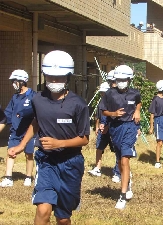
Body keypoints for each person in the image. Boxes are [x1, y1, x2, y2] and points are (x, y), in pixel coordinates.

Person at [8, 50, 90, 224]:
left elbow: (84, 139)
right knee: (43, 209)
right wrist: (22, 145)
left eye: (59, 77)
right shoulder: (38, 99)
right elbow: (36, 122)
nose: (54, 81)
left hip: (71, 164)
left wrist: (59, 143)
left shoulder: (78, 104)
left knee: (62, 218)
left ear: (68, 77)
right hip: (46, 162)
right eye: (50, 76)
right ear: (44, 75)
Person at [100, 65, 140, 210]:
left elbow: (139, 102)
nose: (121, 82)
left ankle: (122, 195)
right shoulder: (110, 94)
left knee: (125, 159)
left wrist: (137, 111)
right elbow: (103, 111)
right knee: (119, 161)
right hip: (115, 128)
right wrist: (113, 114)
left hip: (129, 127)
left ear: (129, 80)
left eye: (124, 79)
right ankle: (127, 181)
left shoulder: (134, 93)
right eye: (119, 79)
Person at [0, 69, 36, 187]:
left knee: (29, 154)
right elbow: (6, 116)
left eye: (14, 81)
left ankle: (28, 176)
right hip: (15, 131)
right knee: (10, 152)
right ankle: (8, 177)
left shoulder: (33, 96)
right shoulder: (14, 98)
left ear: (22, 82)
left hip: (28, 132)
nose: (13, 84)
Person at [88, 82, 113, 177]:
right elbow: (98, 116)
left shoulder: (112, 103)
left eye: (104, 92)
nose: (102, 94)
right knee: (99, 147)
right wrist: (97, 127)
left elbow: (113, 117)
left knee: (117, 150)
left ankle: (118, 170)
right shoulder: (101, 103)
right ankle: (97, 168)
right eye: (101, 92)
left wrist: (107, 126)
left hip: (111, 129)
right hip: (102, 130)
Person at [106, 70, 121, 183]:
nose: (113, 84)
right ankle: (118, 170)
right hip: (112, 125)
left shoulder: (126, 93)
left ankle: (118, 172)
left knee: (122, 150)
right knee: (117, 150)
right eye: (112, 82)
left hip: (125, 126)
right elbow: (104, 111)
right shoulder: (109, 94)